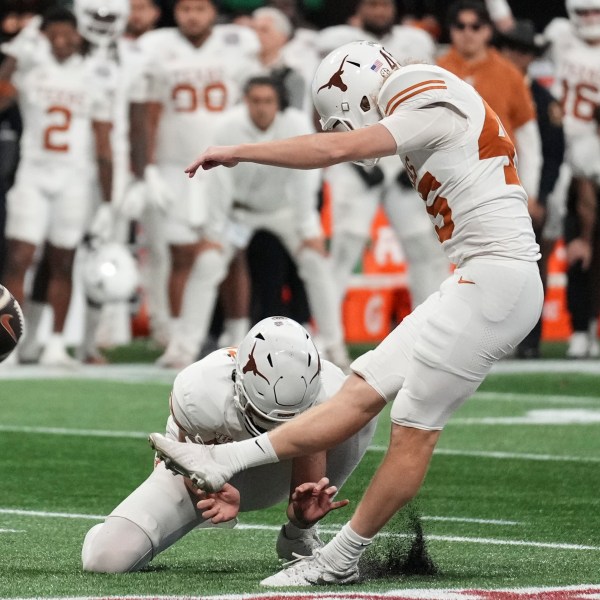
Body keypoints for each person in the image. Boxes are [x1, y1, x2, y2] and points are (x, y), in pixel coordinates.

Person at [149, 39, 544, 586]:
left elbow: (335, 150)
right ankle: (224, 462)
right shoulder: (428, 94)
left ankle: (339, 559)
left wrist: (240, 150)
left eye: (340, 114)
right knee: (359, 388)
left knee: (412, 429)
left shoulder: (416, 87)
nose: (343, 129)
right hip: (481, 277)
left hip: (496, 279)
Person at [82, 316, 377, 573]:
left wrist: (300, 520)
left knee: (359, 413)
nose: (275, 433)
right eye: (263, 420)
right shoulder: (200, 392)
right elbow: (192, 461)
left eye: (289, 422)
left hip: (287, 467)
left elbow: (309, 442)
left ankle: (300, 536)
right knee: (106, 559)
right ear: (239, 386)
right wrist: (209, 488)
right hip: (204, 463)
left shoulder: (331, 390)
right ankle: (109, 530)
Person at [171, 75, 349, 369]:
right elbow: (217, 181)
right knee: (208, 262)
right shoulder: (228, 126)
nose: (261, 108)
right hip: (238, 213)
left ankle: (334, 346)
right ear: (245, 102)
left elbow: (307, 176)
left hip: (285, 211)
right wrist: (213, 231)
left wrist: (308, 228)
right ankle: (183, 347)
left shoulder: (294, 124)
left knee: (316, 261)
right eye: (255, 101)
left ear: (279, 104)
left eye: (268, 101)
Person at [130, 0, 261, 368]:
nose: (192, 15)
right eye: (185, 8)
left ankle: (237, 336)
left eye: (200, 8)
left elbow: (251, 105)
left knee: (231, 252)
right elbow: (149, 113)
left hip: (225, 164)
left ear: (212, 12)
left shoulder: (238, 45)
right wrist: (148, 167)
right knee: (181, 253)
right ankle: (176, 338)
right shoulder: (158, 47)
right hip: (177, 165)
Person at [0, 6, 113, 368]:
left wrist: (108, 202)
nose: (62, 40)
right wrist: (14, 55)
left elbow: (104, 143)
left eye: (68, 33)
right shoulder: (32, 71)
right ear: (45, 37)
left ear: (80, 34)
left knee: (63, 260)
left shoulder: (94, 75)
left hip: (75, 177)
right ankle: (10, 342)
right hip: (33, 173)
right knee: (19, 258)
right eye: (55, 34)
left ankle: (56, 343)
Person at [317, 0, 450, 308]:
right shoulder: (335, 42)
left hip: (402, 153)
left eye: (384, 5)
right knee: (344, 246)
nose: (379, 11)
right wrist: (347, 154)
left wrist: (415, 155)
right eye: (372, 4)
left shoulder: (415, 41)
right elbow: (321, 102)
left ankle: (427, 327)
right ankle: (327, 337)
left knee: (424, 248)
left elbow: (427, 97)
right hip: (352, 151)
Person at [438, 1, 544, 236]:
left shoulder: (510, 74)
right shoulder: (436, 71)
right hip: (446, 180)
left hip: (497, 181)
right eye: (460, 26)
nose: (468, 33)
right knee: (437, 257)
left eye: (475, 26)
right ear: (451, 30)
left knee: (499, 254)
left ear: (488, 30)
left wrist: (530, 191)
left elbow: (529, 139)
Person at [497, 19, 566, 358]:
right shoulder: (490, 89)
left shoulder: (543, 98)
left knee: (533, 270)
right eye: (512, 48)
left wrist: (538, 195)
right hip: (494, 192)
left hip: (533, 194)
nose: (517, 56)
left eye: (524, 51)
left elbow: (554, 154)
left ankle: (530, 341)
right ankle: (496, 340)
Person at [546, 0, 600, 358]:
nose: (589, 19)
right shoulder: (559, 36)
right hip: (567, 151)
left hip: (591, 146)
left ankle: (588, 326)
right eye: (582, 12)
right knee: (572, 245)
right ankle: (580, 327)